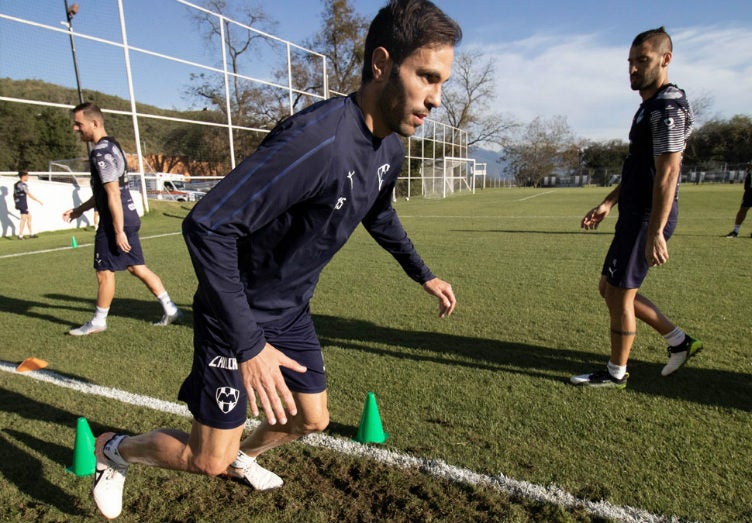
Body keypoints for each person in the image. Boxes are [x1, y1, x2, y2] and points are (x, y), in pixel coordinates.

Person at [89, 1, 460, 519]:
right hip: (233, 312)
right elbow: (207, 225)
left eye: (441, 82)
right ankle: (114, 450)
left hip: (289, 310)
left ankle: (243, 454)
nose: (436, 98)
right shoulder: (318, 141)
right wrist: (250, 344)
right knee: (205, 460)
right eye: (427, 77)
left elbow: (378, 213)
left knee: (312, 419)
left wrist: (424, 273)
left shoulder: (389, 148)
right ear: (381, 63)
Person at [571, 27, 702, 388]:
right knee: (608, 288)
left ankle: (615, 374)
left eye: (641, 61)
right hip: (633, 212)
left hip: (648, 216)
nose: (632, 69)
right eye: (630, 62)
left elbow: (668, 171)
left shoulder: (667, 107)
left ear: (665, 59)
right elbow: (642, 169)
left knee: (618, 294)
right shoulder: (650, 106)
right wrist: (609, 201)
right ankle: (679, 341)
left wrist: (656, 230)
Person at [63, 102, 182, 336]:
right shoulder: (113, 145)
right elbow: (105, 192)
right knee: (137, 267)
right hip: (128, 214)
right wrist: (79, 210)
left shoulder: (100, 152)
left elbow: (112, 193)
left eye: (79, 124)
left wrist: (117, 231)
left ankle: (98, 321)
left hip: (114, 221)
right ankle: (171, 308)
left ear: (94, 123)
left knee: (104, 271)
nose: (76, 129)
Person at [13, 170, 43, 239]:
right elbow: (29, 194)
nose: (28, 177)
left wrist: (16, 203)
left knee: (29, 216)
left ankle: (31, 234)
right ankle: (20, 235)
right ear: (23, 176)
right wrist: (38, 201)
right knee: (23, 218)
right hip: (22, 203)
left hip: (20, 203)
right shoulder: (23, 185)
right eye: (27, 176)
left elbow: (14, 194)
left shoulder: (16, 184)